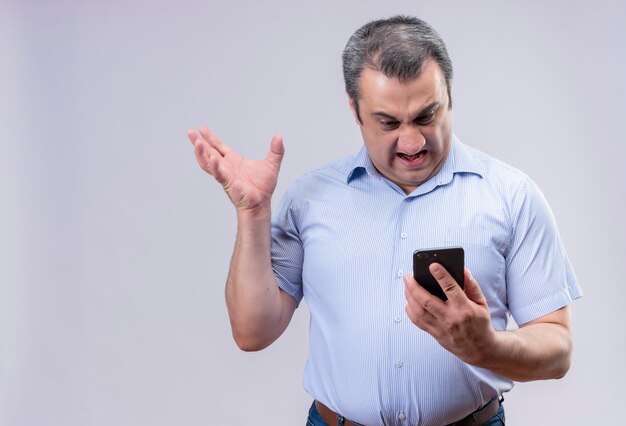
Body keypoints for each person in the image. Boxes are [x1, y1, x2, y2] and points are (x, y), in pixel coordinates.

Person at [187, 15, 581, 426]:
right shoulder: (311, 199)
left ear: (449, 96)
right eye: (389, 123)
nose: (412, 143)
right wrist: (252, 214)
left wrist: (486, 348)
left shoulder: (512, 196)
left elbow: (558, 349)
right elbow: (253, 332)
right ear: (355, 110)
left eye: (427, 116)